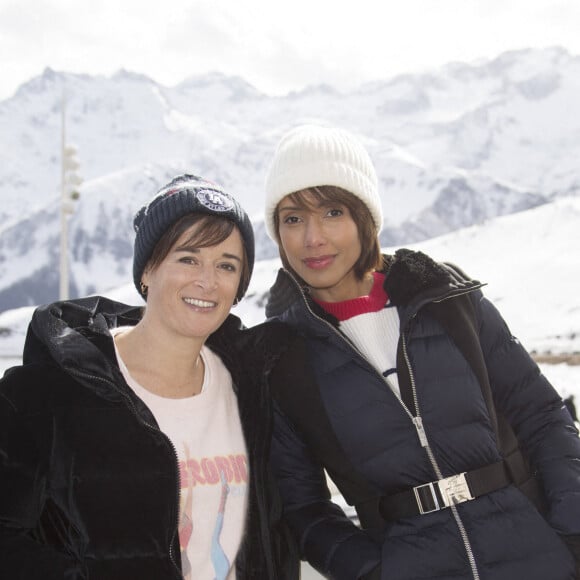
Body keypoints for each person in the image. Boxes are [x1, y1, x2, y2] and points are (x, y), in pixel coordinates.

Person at [258, 124, 580, 579]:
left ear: (364, 218)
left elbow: (544, 417)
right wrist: (373, 571)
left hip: (539, 559)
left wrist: (571, 534)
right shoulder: (282, 356)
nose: (313, 237)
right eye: (293, 218)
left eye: (332, 211)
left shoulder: (448, 301)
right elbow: (301, 506)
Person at [0, 174, 297, 580]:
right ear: (148, 270)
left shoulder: (251, 386)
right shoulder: (48, 392)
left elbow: (271, 527)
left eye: (226, 265)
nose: (207, 281)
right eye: (188, 258)